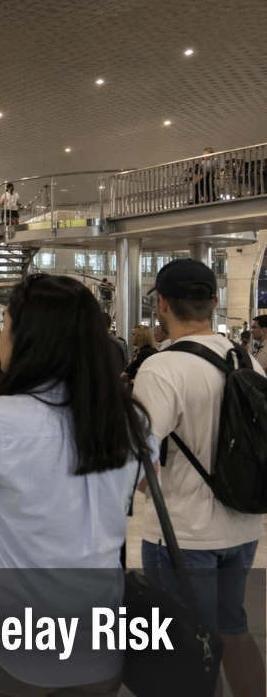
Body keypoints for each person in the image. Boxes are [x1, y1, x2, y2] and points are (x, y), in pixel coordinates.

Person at [0, 274, 155, 694]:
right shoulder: (131, 418)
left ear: (27, 338)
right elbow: (140, 485)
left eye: (6, 323)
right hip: (98, 641)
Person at [132, 259, 266, 697]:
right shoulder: (244, 356)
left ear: (162, 304)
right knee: (232, 627)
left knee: (186, 645)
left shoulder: (162, 367)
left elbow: (140, 454)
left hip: (182, 533)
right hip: (242, 524)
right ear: (212, 302)